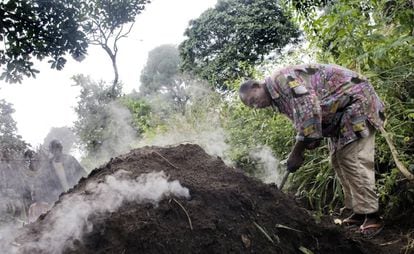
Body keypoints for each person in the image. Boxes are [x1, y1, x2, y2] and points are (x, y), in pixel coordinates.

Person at [239, 63, 385, 237]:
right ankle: (360, 211)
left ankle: (373, 216)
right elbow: (305, 122)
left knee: (351, 157)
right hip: (341, 116)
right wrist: (310, 141)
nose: (256, 106)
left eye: (253, 100)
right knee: (338, 160)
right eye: (252, 106)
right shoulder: (278, 99)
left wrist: (297, 151)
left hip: (357, 103)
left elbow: (309, 110)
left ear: (257, 86)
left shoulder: (282, 80)